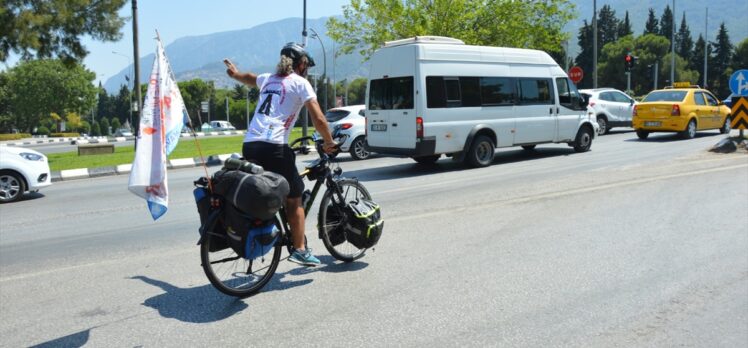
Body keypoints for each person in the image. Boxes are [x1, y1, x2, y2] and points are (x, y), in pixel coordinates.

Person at [224, 42, 336, 266]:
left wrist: (235, 74)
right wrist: (329, 141)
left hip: (250, 144)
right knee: (295, 198)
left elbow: (249, 77)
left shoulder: (268, 79)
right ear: (301, 64)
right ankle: (300, 250)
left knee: (266, 189)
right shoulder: (300, 83)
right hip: (274, 146)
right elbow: (319, 119)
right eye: (306, 65)